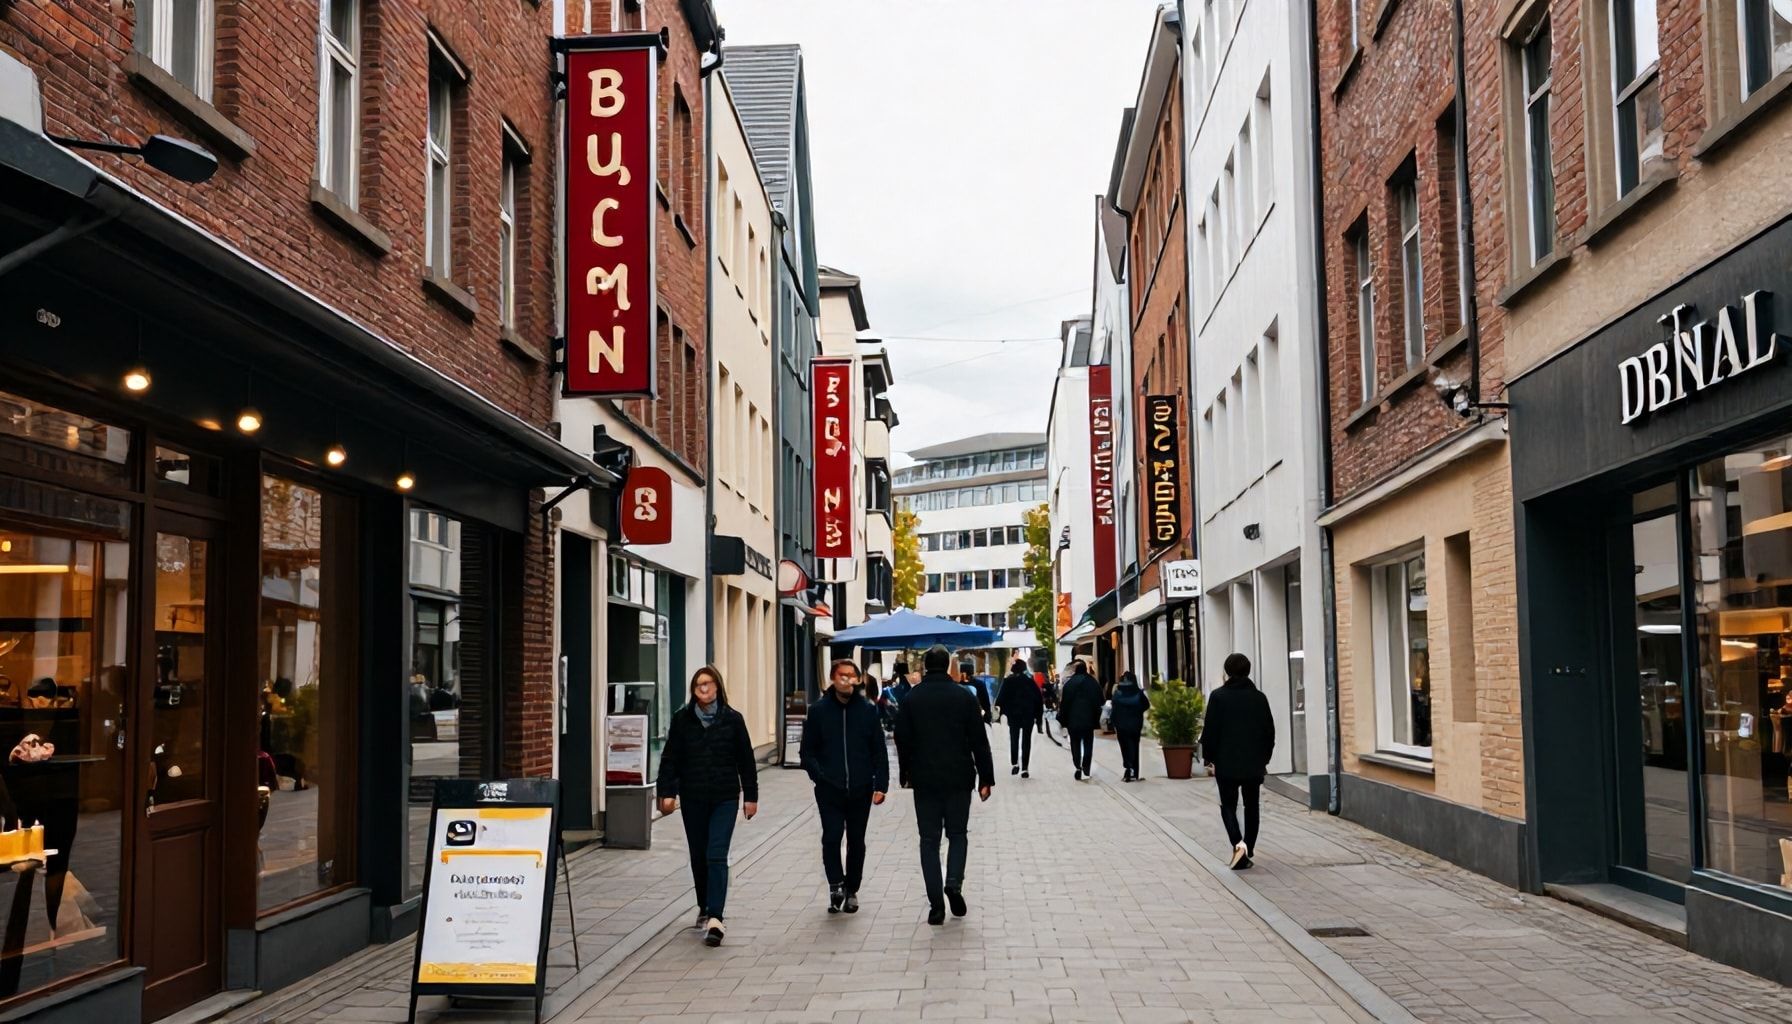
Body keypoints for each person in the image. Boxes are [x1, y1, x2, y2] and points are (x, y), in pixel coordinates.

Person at [656, 665, 759, 946]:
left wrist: (751, 797)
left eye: (708, 683)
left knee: (716, 854)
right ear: (693, 690)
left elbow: (746, 761)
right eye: (698, 684)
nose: (703, 688)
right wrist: (666, 792)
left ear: (717, 687)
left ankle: (716, 917)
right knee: (699, 855)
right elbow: (670, 759)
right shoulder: (682, 720)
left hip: (725, 797)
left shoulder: (732, 719)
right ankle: (704, 904)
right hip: (693, 798)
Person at [893, 645, 995, 925]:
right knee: (958, 834)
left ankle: (936, 905)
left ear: (926, 666)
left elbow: (902, 738)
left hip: (924, 778)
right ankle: (954, 883)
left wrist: (905, 772)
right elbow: (979, 740)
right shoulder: (963, 697)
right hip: (959, 777)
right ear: (949, 666)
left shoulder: (912, 698)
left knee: (929, 840)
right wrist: (986, 778)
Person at [799, 659, 888, 914]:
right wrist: (820, 775)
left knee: (856, 840)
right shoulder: (819, 711)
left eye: (851, 675)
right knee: (832, 836)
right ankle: (836, 883)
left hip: (861, 787)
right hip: (829, 788)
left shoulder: (868, 710)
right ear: (833, 678)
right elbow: (807, 751)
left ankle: (852, 889)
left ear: (858, 680)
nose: (847, 679)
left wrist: (881, 784)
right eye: (842, 675)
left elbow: (878, 749)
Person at [1200, 652, 1276, 869]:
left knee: (1228, 805)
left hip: (1226, 762)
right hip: (1253, 763)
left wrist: (1209, 758)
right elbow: (1269, 731)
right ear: (1248, 671)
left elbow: (1211, 730)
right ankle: (1248, 847)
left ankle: (1238, 844)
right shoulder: (1259, 698)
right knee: (1252, 806)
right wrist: (1264, 758)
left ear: (1227, 671)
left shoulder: (1218, 697)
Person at [994, 659, 1043, 777]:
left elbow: (1000, 699)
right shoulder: (1030, 682)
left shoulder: (1008, 681)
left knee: (1014, 738)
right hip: (1028, 715)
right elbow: (1038, 700)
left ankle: (1015, 763)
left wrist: (1001, 713)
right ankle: (1025, 768)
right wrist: (1038, 719)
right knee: (1026, 740)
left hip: (1013, 715)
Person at [1057, 660, 1104, 780]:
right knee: (1088, 743)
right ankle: (1086, 767)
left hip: (1073, 720)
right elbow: (1101, 700)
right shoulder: (1092, 682)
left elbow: (1064, 704)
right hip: (1089, 720)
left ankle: (1077, 766)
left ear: (1075, 671)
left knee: (1075, 743)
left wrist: (1063, 720)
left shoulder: (1069, 684)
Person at [1109, 671, 1152, 782]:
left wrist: (1113, 721)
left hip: (1121, 725)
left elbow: (1114, 709)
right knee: (1134, 745)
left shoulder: (1117, 693)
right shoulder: (1138, 693)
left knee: (1125, 747)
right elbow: (1146, 705)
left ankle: (1128, 768)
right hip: (1135, 724)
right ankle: (1134, 771)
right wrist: (1137, 711)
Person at [958, 660, 993, 724]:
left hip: (962, 717)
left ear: (964, 673)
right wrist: (987, 717)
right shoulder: (979, 684)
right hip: (976, 716)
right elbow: (986, 703)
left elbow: (985, 702)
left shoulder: (957, 684)